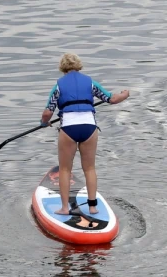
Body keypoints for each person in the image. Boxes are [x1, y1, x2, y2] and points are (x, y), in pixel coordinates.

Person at [40, 53, 130, 216]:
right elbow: (112, 99)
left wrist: (43, 122)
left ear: (62, 67)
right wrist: (125, 94)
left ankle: (65, 208)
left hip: (69, 129)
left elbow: (48, 112)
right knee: (89, 168)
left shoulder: (58, 86)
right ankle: (93, 207)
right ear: (79, 65)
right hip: (89, 127)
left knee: (65, 169)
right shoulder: (90, 83)